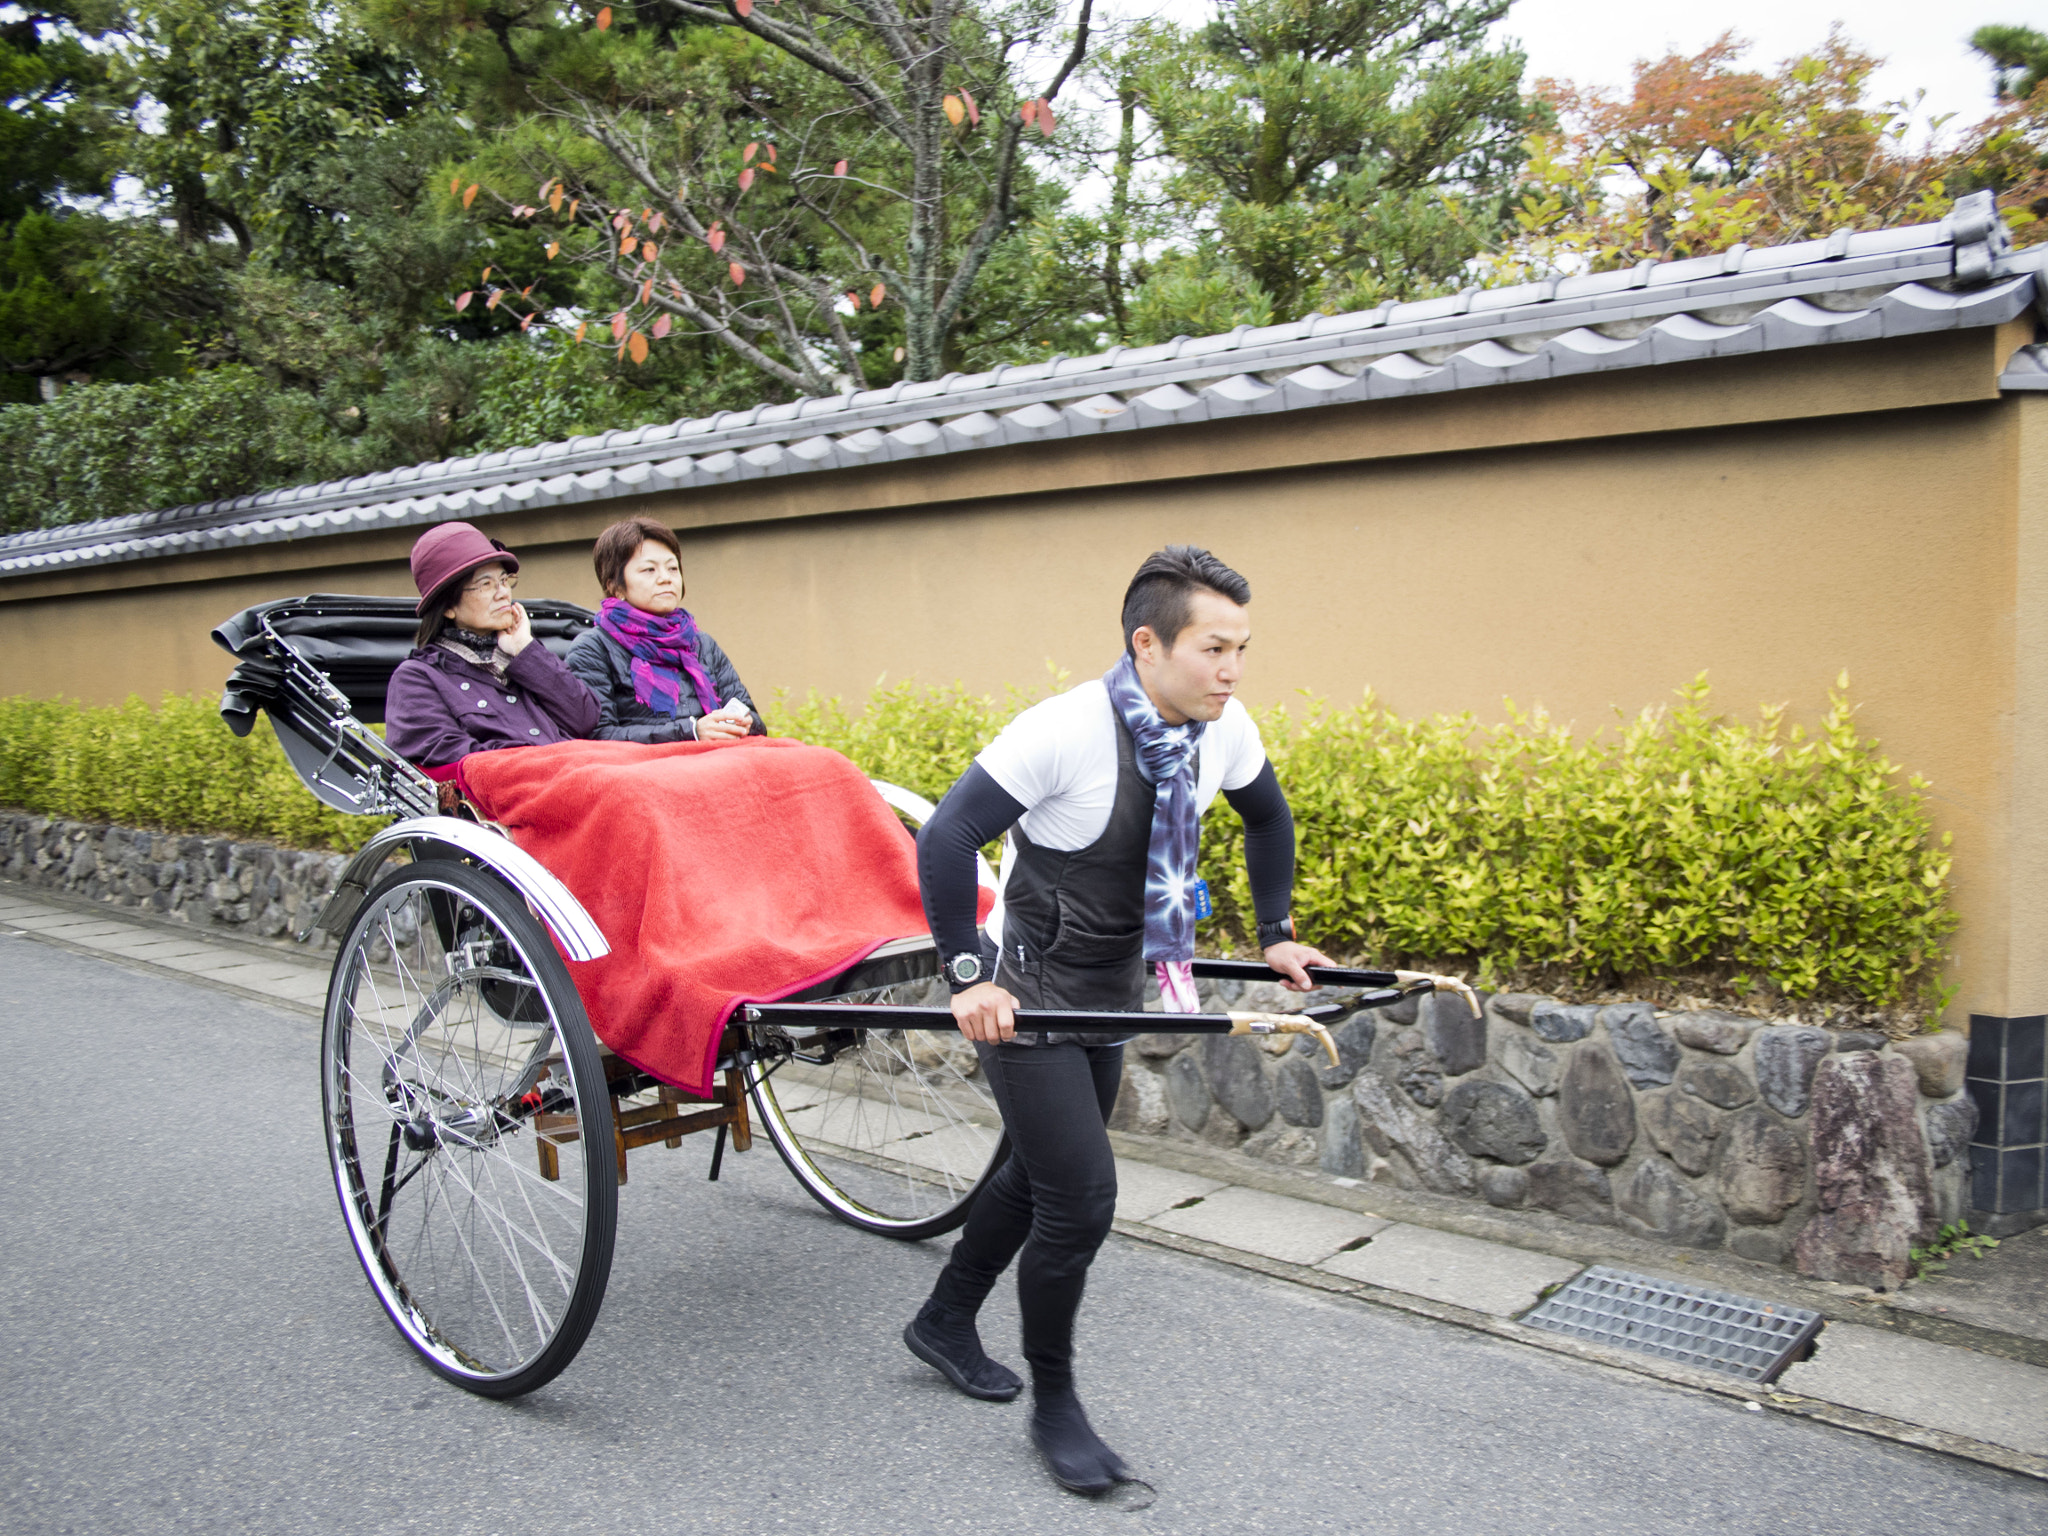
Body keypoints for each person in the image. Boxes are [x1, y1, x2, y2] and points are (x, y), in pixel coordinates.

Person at [905, 545, 1334, 1496]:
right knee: (1080, 1198)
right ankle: (1055, 1403)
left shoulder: (1222, 729)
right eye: (1214, 648)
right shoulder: (1062, 730)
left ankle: (942, 1320)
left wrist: (1276, 935)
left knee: (1035, 1171)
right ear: (1149, 643)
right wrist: (969, 974)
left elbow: (1268, 818)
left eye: (1242, 649)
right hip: (1029, 994)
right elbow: (944, 836)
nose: (1233, 670)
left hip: (1113, 988)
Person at [385, 521, 602, 768]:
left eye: (504, 580)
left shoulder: (523, 654)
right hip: (524, 792)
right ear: (447, 607)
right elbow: (443, 753)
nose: (503, 593)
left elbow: (585, 719)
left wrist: (525, 651)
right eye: (486, 584)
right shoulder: (418, 677)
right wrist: (540, 759)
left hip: (580, 773)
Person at [565, 517, 764, 744]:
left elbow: (754, 719)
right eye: (649, 570)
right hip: (647, 770)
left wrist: (745, 723)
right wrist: (692, 732)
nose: (665, 578)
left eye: (672, 568)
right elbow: (599, 736)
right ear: (615, 585)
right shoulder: (593, 648)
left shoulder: (701, 644)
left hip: (718, 758)